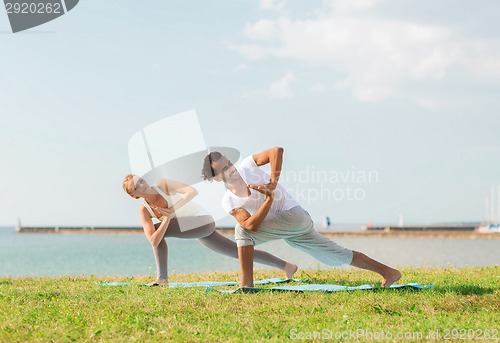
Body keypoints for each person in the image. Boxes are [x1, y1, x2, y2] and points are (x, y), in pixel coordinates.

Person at [201, 147, 402, 288]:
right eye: (224, 169)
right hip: (290, 230)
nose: (232, 168)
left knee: (241, 232)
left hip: (295, 217)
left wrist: (273, 182)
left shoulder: (247, 166)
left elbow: (276, 151)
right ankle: (389, 272)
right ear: (217, 178)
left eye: (229, 163)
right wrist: (269, 199)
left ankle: (246, 285)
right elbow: (250, 225)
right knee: (338, 254)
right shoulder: (228, 200)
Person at [122, 174, 298, 285]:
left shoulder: (162, 184)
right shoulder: (144, 209)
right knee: (237, 252)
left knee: (158, 231)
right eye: (137, 187)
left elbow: (191, 191)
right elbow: (152, 240)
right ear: (133, 195)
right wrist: (168, 217)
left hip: (203, 221)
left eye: (141, 180)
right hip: (192, 228)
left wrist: (172, 210)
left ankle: (162, 279)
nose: (142, 185)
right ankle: (287, 266)